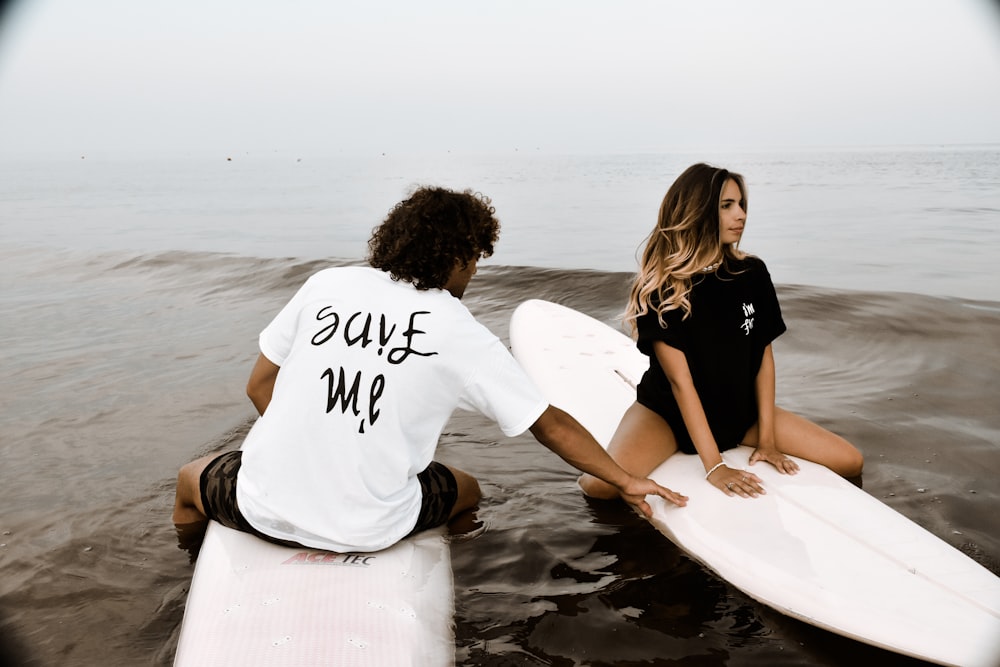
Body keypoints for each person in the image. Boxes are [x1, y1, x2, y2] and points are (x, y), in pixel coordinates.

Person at [173, 186, 687, 553]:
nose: (476, 270)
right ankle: (449, 559)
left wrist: (316, 441)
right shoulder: (457, 329)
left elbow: (258, 385)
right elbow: (548, 424)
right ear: (457, 256)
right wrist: (623, 479)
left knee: (187, 480)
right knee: (466, 490)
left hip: (259, 507)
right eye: (476, 258)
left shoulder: (326, 285)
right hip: (369, 529)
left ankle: (190, 563)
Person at [580, 164, 863, 501]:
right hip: (669, 416)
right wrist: (715, 466)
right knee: (600, 487)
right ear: (698, 211)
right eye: (727, 205)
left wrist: (768, 440)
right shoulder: (665, 289)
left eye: (741, 204)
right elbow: (680, 385)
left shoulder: (751, 273)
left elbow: (764, 357)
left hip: (739, 413)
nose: (740, 215)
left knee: (849, 460)